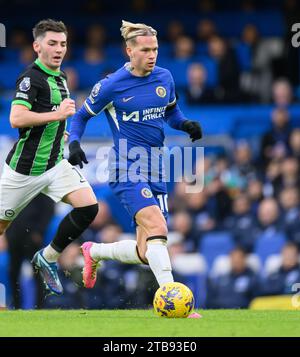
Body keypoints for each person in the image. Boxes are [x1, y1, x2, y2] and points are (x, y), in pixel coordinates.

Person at [68, 20, 202, 292]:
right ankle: (173, 297)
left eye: (155, 49)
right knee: (158, 226)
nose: (152, 55)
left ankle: (95, 252)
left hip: (156, 166)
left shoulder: (164, 77)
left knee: (147, 249)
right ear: (129, 51)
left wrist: (185, 123)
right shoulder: (111, 85)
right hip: (126, 166)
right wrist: (73, 143)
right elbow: (81, 116)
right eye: (145, 50)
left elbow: (171, 113)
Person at [0, 19, 98, 296]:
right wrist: (58, 116)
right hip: (24, 171)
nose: (58, 49)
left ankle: (48, 258)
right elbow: (16, 118)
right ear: (37, 46)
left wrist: (61, 131)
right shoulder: (31, 78)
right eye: (52, 43)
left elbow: (52, 118)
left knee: (89, 207)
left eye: (63, 44)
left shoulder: (61, 77)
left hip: (55, 165)